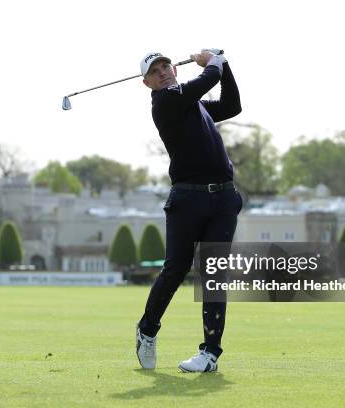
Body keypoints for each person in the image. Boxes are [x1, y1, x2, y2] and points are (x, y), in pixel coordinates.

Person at [136, 49, 243, 372]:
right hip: (187, 200)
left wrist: (226, 67)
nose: (164, 72)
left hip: (223, 198)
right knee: (176, 269)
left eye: (166, 66)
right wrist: (214, 64)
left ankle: (210, 353)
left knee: (214, 275)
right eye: (155, 71)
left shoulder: (193, 104)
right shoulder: (166, 102)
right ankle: (147, 330)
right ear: (147, 83)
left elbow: (232, 105)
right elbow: (206, 79)